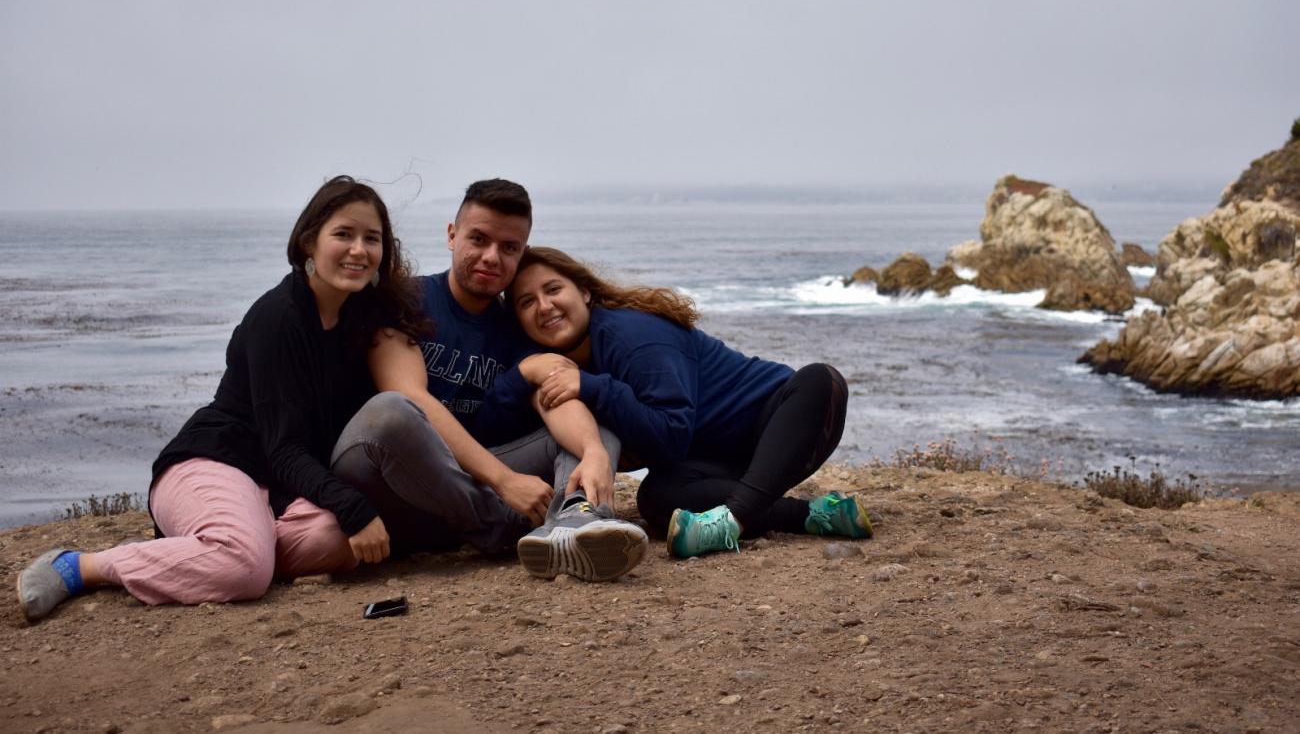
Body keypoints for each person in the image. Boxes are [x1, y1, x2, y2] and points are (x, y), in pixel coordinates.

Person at [18, 176, 432, 622]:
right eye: (344, 234)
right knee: (249, 569)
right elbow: (285, 448)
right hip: (212, 463)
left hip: (273, 487)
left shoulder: (359, 320)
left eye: (372, 239)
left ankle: (222, 549)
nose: (359, 249)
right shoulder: (277, 318)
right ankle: (82, 565)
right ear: (310, 242)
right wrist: (352, 506)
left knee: (336, 539)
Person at [476, 246, 872, 559]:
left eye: (553, 289)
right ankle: (821, 514)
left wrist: (594, 387)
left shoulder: (633, 334)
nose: (544, 306)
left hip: (782, 426)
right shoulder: (552, 364)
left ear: (583, 291)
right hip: (720, 462)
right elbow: (491, 428)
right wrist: (523, 372)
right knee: (657, 498)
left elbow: (669, 437)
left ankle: (730, 521)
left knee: (821, 378)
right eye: (526, 303)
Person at [361, 180, 648, 582]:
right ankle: (503, 528)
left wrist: (592, 450)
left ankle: (575, 521)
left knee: (593, 419)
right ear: (451, 235)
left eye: (509, 247)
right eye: (478, 239)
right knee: (393, 411)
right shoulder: (406, 298)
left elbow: (554, 392)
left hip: (459, 491)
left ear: (521, 253)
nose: (491, 257)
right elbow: (410, 398)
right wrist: (504, 480)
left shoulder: (515, 327)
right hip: (385, 478)